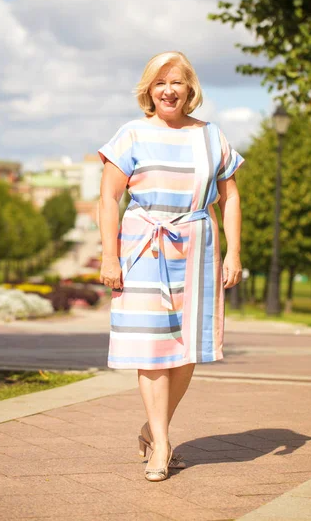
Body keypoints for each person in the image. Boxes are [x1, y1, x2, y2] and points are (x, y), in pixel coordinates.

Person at [98, 51, 244, 482]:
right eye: (160, 83)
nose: (169, 90)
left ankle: (151, 427)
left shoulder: (211, 136)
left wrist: (234, 251)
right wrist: (109, 255)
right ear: (148, 90)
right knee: (152, 348)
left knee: (188, 349)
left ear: (190, 89)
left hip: (199, 244)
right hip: (144, 246)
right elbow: (108, 198)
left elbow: (230, 196)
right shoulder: (130, 135)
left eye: (177, 82)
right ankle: (161, 444)